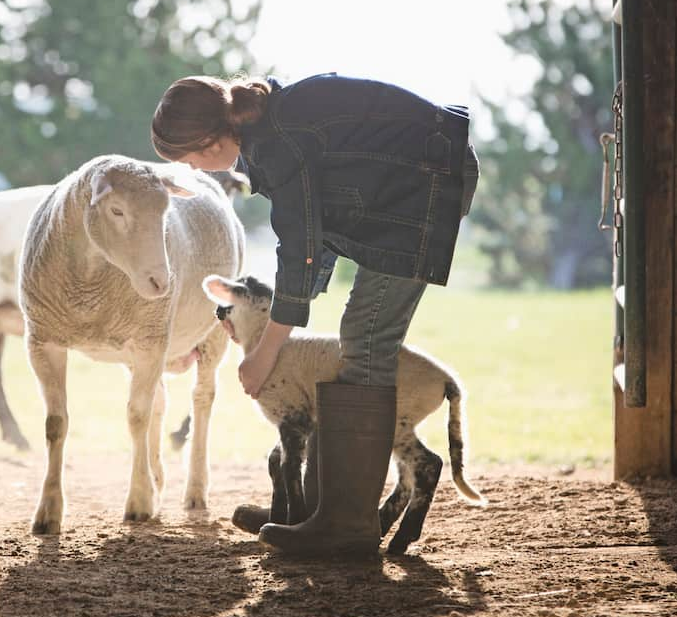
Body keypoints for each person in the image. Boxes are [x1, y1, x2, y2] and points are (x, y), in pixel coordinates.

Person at [151, 72, 478, 556]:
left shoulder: (278, 142)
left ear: (211, 137)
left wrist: (265, 352)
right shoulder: (267, 133)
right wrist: (299, 300)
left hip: (427, 182)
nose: (196, 170)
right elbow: (316, 231)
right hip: (411, 180)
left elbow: (301, 246)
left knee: (366, 336)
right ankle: (314, 509)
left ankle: (345, 526)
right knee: (359, 335)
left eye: (191, 157)